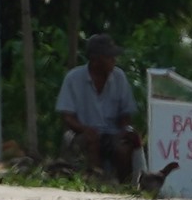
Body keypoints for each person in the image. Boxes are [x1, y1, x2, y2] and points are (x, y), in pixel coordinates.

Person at [56, 32, 142, 182]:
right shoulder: (73, 78)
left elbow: (125, 114)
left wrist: (125, 130)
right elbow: (67, 116)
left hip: (112, 133)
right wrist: (84, 129)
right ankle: (95, 182)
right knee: (91, 140)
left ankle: (125, 186)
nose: (114, 60)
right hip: (81, 133)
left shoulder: (119, 77)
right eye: (109, 57)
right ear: (96, 60)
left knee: (124, 147)